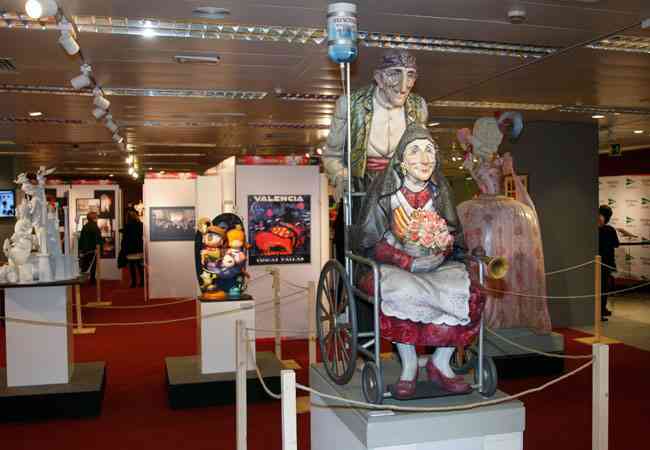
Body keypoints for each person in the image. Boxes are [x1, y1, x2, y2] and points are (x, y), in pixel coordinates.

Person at [356, 125, 485, 399]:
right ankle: (409, 365)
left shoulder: (439, 191)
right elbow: (369, 242)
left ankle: (441, 362)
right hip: (392, 265)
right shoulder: (386, 193)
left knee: (467, 292)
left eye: (429, 151)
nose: (424, 159)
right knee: (404, 292)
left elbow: (452, 233)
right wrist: (407, 261)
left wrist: (442, 248)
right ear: (401, 160)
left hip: (435, 264)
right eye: (415, 151)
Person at [598, 205, 619, 321]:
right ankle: (602, 310)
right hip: (607, 262)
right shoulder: (610, 230)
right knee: (604, 288)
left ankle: (601, 310)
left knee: (600, 288)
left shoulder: (594, 229)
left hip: (597, 262)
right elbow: (616, 244)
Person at [122, 208, 144, 288]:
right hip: (138, 247)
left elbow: (125, 238)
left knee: (132, 266)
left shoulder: (128, 225)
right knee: (139, 265)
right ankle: (142, 281)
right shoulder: (140, 224)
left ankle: (134, 282)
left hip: (130, 248)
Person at [79, 211, 103, 284]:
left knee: (85, 265)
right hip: (92, 249)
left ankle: (82, 280)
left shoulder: (85, 226)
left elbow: (81, 239)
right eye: (96, 217)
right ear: (93, 218)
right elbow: (98, 239)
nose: (97, 218)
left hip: (85, 249)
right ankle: (92, 279)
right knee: (93, 265)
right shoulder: (95, 227)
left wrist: (81, 249)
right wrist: (99, 247)